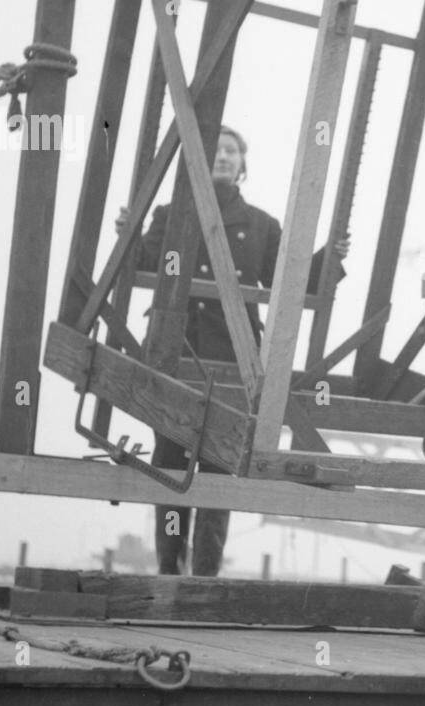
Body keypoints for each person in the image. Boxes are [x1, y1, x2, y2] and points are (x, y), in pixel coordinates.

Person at [118, 125, 348, 576]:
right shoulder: (170, 216)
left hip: (233, 361)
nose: (222, 158)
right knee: (169, 464)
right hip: (175, 355)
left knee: (220, 469)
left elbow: (291, 279)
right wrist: (128, 233)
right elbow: (142, 263)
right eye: (214, 151)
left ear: (242, 164)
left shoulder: (261, 226)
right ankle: (169, 571)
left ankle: (204, 577)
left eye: (230, 151)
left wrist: (330, 257)